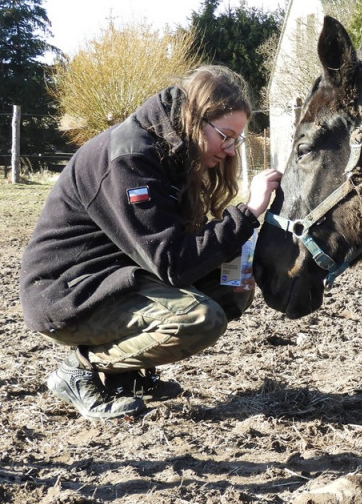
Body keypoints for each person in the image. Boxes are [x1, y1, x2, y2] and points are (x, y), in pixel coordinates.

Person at [19, 65, 282, 420]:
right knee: (198, 319)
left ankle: (123, 374)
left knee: (231, 284)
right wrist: (249, 213)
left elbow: (177, 249)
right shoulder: (130, 159)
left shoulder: (170, 153)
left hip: (112, 278)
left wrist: (237, 260)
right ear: (195, 119)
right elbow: (173, 263)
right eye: (226, 136)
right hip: (70, 296)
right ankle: (79, 369)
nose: (231, 150)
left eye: (237, 140)